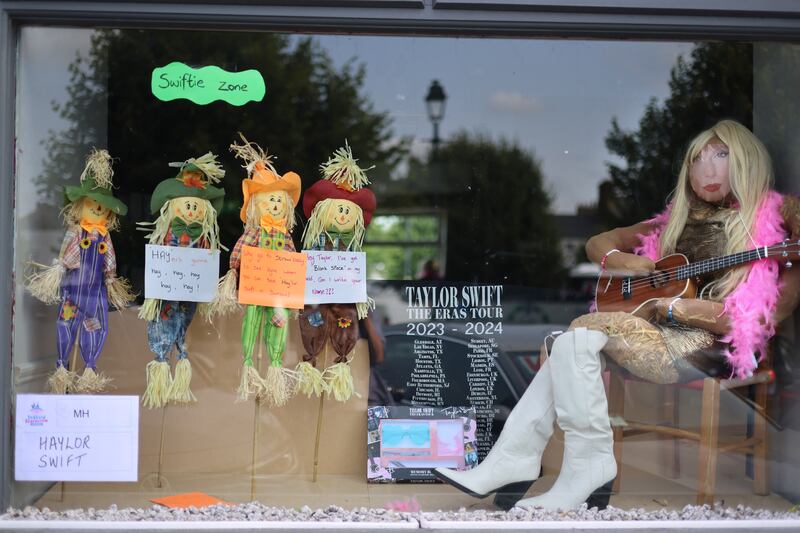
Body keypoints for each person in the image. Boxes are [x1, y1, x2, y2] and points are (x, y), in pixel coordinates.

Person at [434, 120, 800, 510]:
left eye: (721, 155)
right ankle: (560, 466)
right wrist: (627, 262)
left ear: (747, 160)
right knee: (572, 342)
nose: (706, 169)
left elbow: (762, 319)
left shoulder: (779, 216)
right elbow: (597, 243)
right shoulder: (676, 221)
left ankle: (523, 461)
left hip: (712, 350)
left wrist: (683, 308)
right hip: (652, 331)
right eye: (697, 159)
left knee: (569, 340)